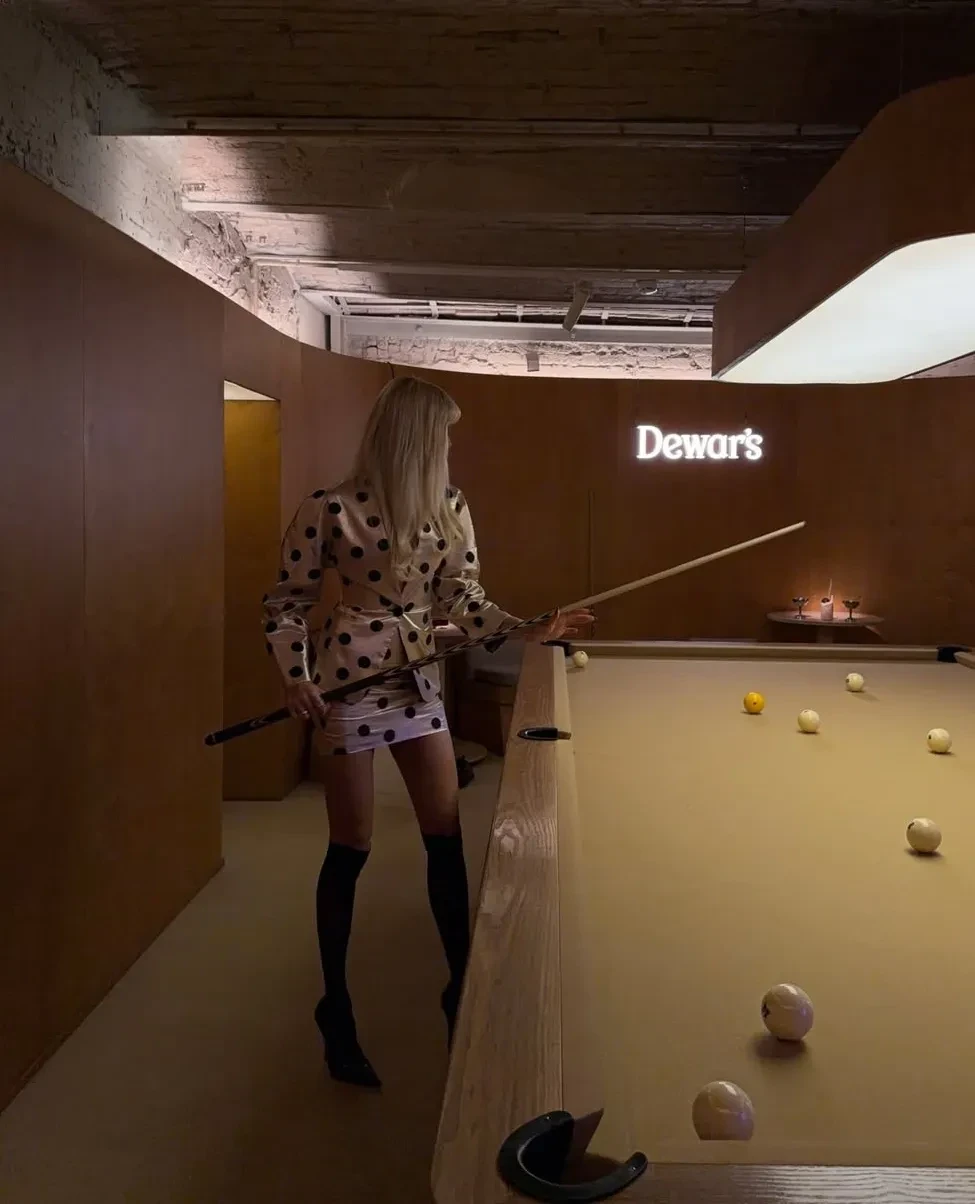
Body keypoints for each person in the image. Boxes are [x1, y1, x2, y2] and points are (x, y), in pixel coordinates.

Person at [263, 376, 590, 1088]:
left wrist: (525, 629)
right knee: (351, 847)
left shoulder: (449, 506)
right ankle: (335, 1007)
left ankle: (459, 986)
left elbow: (461, 597)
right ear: (415, 438)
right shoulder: (329, 507)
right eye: (442, 434)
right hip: (347, 680)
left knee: (445, 835)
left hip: (416, 679)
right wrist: (295, 676)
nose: (447, 446)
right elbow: (285, 603)